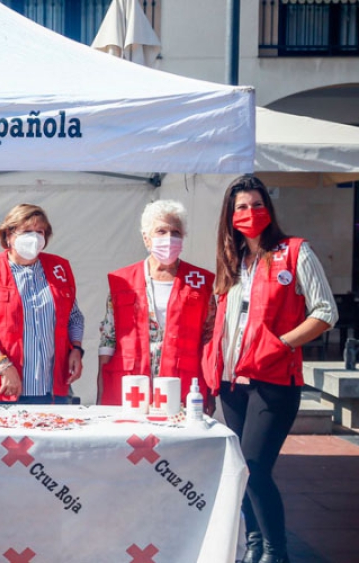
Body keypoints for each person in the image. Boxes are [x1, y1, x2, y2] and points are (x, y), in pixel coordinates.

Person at [204, 175, 337, 563]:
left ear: (269, 209)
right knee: (240, 471)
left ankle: (276, 552)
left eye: (257, 205)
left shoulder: (295, 252)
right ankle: (256, 546)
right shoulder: (232, 262)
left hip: (274, 381)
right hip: (231, 383)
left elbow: (326, 312)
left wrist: (280, 344)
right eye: (241, 207)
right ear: (230, 216)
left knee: (256, 468)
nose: (250, 213)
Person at [97, 200, 215, 410]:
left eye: (176, 232)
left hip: (182, 386)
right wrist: (101, 390)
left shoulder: (200, 282)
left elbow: (210, 340)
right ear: (146, 238)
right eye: (161, 231)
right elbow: (108, 338)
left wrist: (209, 393)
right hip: (130, 385)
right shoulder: (123, 281)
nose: (169, 238)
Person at [0, 204, 83, 404]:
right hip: (0, 389)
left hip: (51, 390)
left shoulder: (59, 269)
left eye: (40, 232)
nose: (34, 238)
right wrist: (2, 365)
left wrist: (77, 349)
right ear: (8, 235)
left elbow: (74, 317)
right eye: (27, 231)